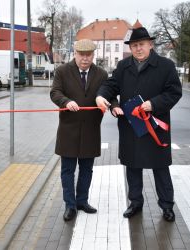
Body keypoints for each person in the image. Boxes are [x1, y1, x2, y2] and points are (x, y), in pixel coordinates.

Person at [96, 27, 182, 222]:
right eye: (134, 45)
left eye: (141, 44)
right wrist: (101, 95)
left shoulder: (166, 66)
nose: (138, 48)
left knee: (160, 167)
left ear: (150, 45)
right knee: (133, 167)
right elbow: (112, 85)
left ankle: (167, 206)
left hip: (155, 126)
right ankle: (135, 203)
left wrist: (154, 104)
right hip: (130, 127)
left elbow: (174, 93)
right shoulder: (123, 65)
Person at [50, 39, 108, 221]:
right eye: (81, 54)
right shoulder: (62, 71)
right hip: (69, 130)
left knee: (86, 169)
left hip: (91, 129)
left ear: (93, 55)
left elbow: (109, 94)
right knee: (67, 170)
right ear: (74, 53)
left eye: (88, 55)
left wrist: (113, 106)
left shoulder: (101, 74)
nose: (85, 58)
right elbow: (55, 93)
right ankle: (70, 205)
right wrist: (66, 101)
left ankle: (82, 201)